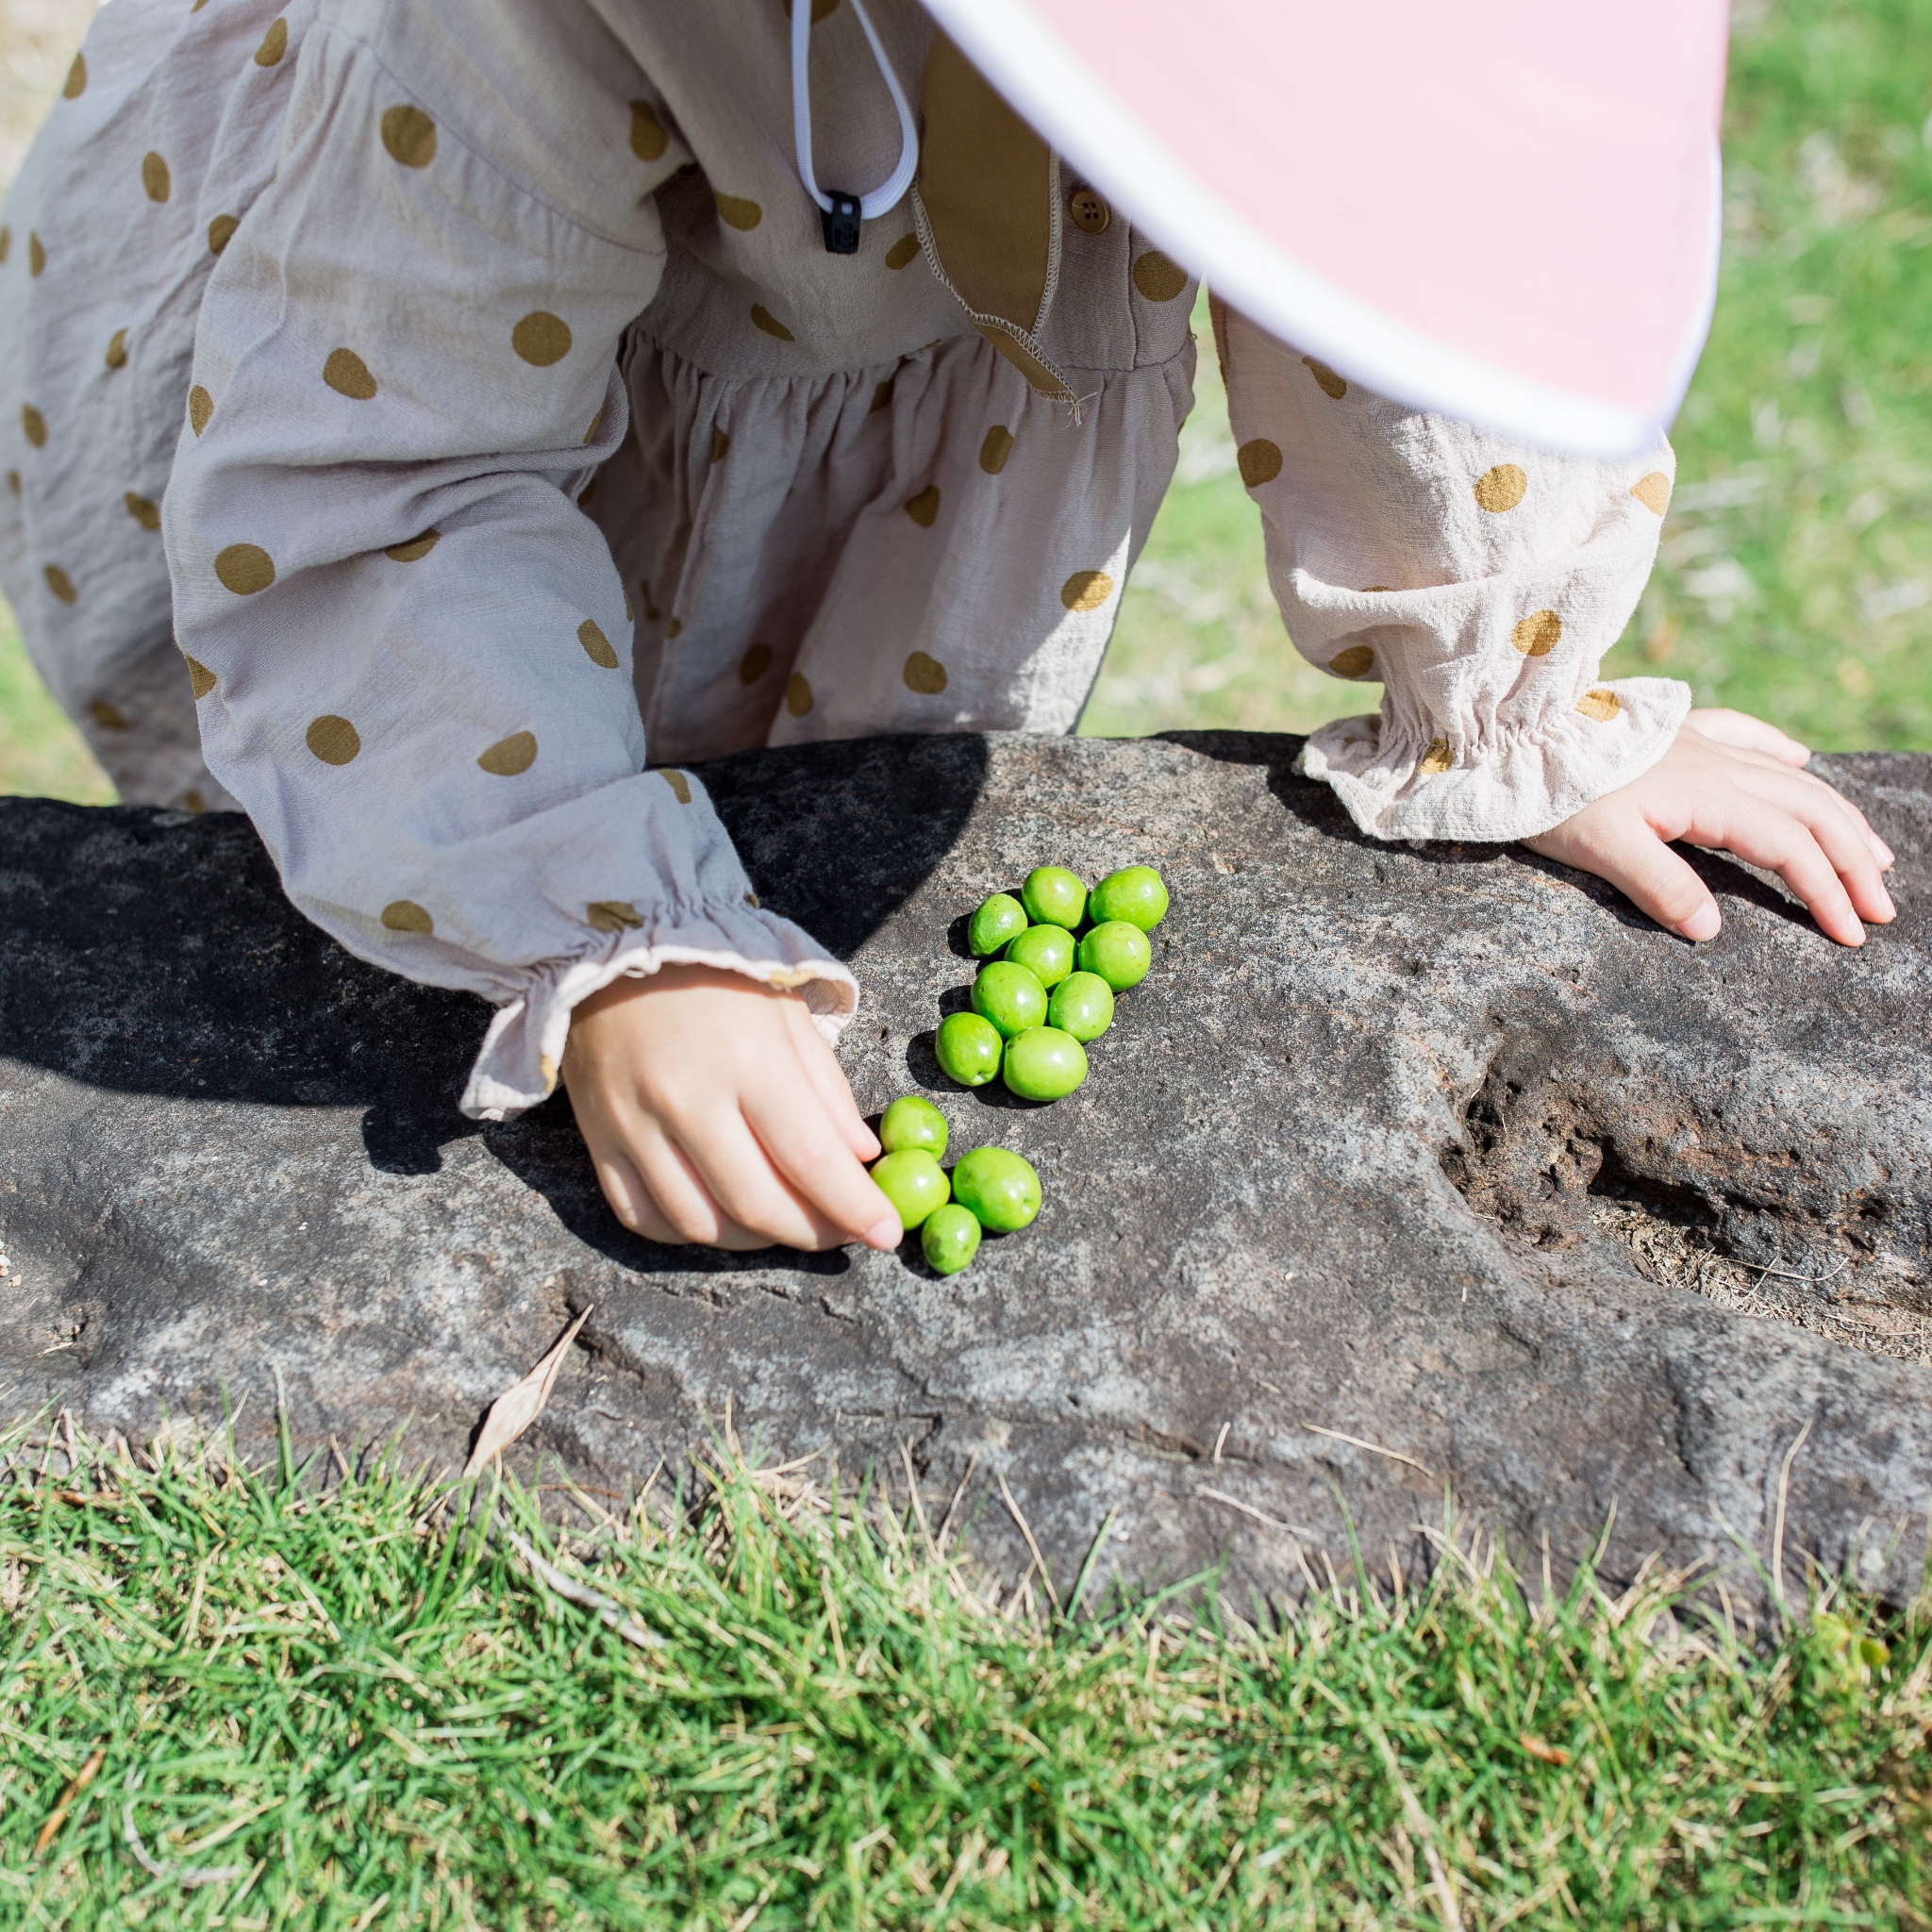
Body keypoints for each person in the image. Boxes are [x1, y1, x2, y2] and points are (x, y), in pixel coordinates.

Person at [0, 0, 1893, 1257]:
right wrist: (619, 935)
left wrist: (1506, 696)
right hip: (411, 316)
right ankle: (506, 846)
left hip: (868, 407)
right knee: (354, 796)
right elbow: (384, 480)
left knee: (759, 752)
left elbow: (1392, 258)